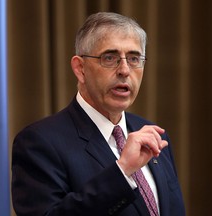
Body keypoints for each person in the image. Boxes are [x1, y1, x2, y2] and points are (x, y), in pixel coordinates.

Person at [11, 12, 185, 216]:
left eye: (134, 58)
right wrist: (122, 171)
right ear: (80, 68)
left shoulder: (155, 137)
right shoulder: (39, 143)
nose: (124, 70)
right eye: (109, 58)